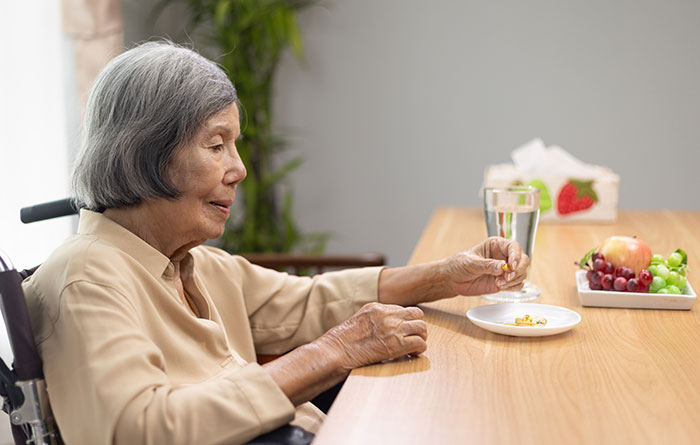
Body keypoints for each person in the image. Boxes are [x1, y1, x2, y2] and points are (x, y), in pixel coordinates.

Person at [23, 41, 529, 445]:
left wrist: (446, 275)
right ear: (147, 153)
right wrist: (331, 352)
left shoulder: (191, 263)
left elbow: (308, 301)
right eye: (217, 145)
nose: (239, 169)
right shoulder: (88, 279)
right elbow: (141, 430)